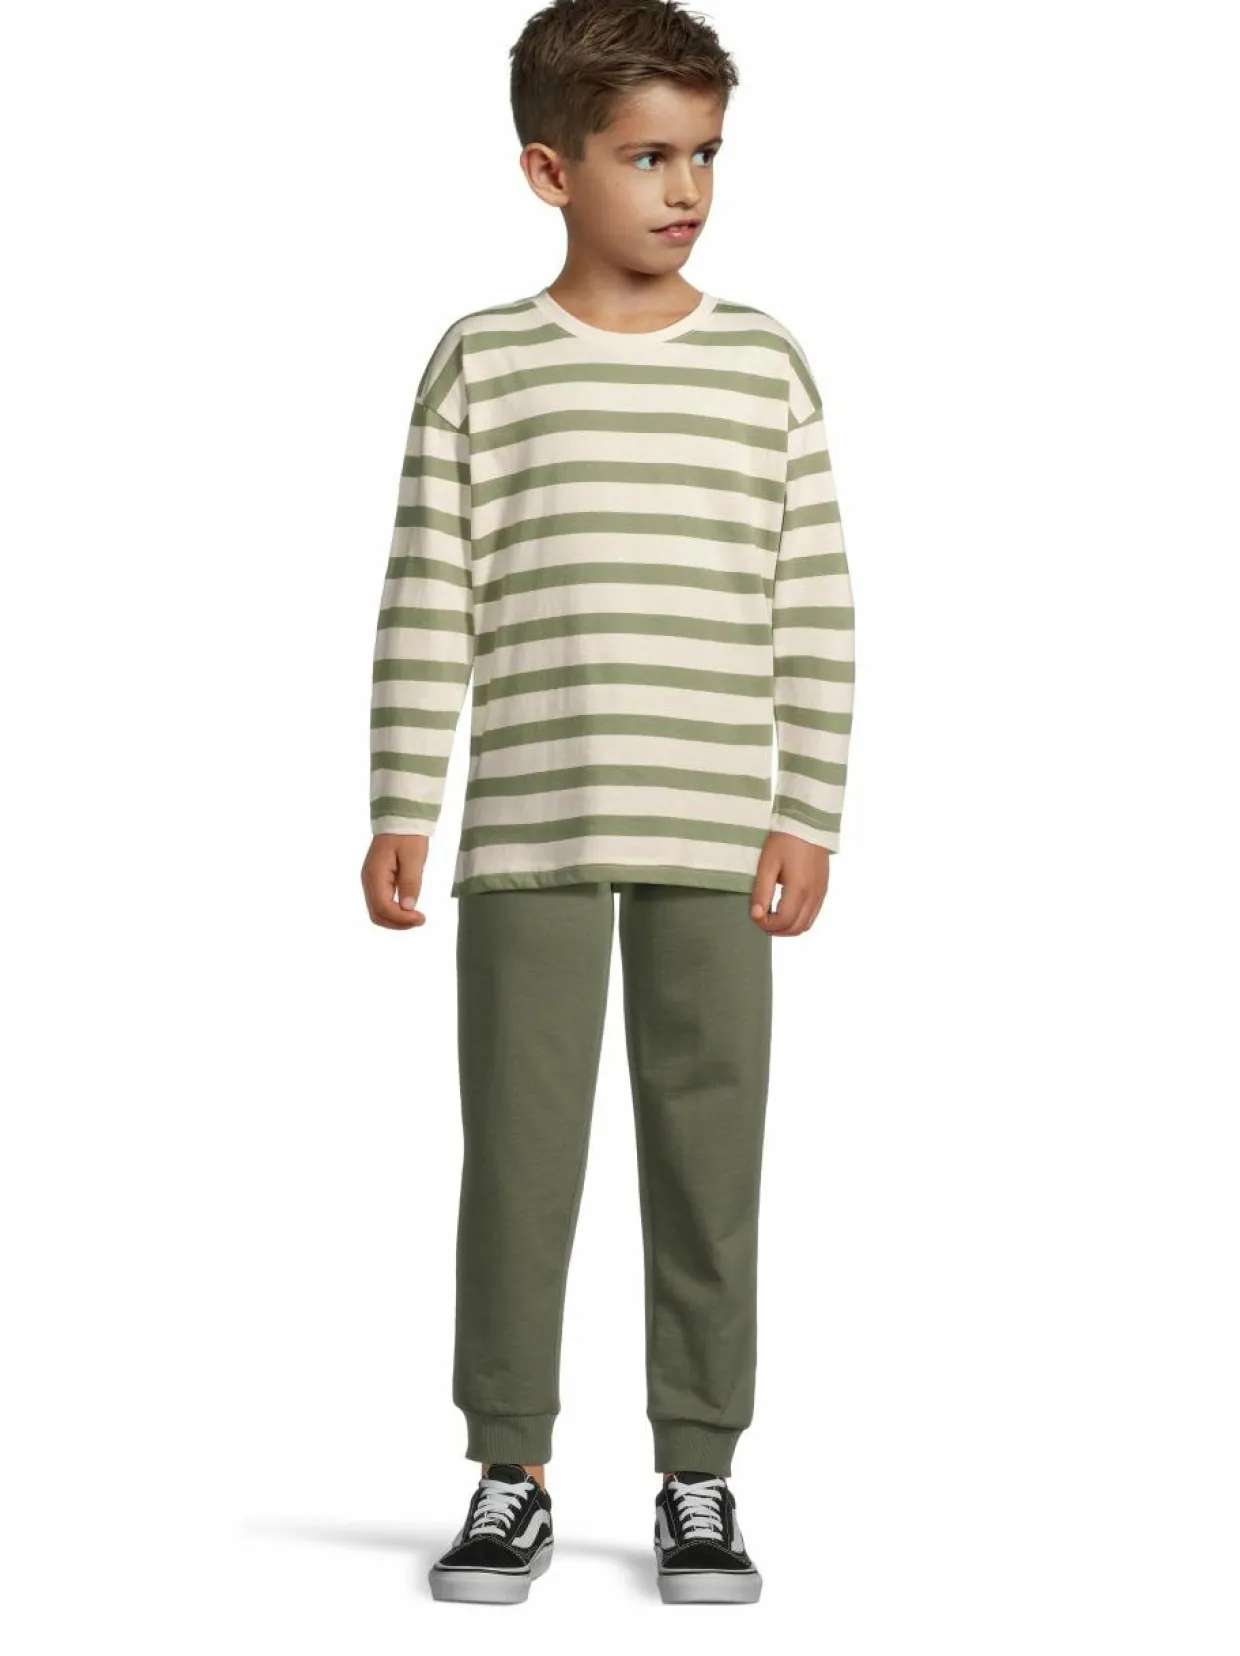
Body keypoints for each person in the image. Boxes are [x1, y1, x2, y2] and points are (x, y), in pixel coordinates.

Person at [360, 0, 856, 1607]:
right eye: (648, 156)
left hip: (715, 829)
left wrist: (808, 810)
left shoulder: (763, 363)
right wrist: (403, 797)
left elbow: (813, 602)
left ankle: (700, 1472)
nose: (686, 187)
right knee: (518, 1161)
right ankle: (508, 1469)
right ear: (549, 170)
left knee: (710, 1158)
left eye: (705, 154)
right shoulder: (486, 361)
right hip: (531, 829)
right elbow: (430, 590)